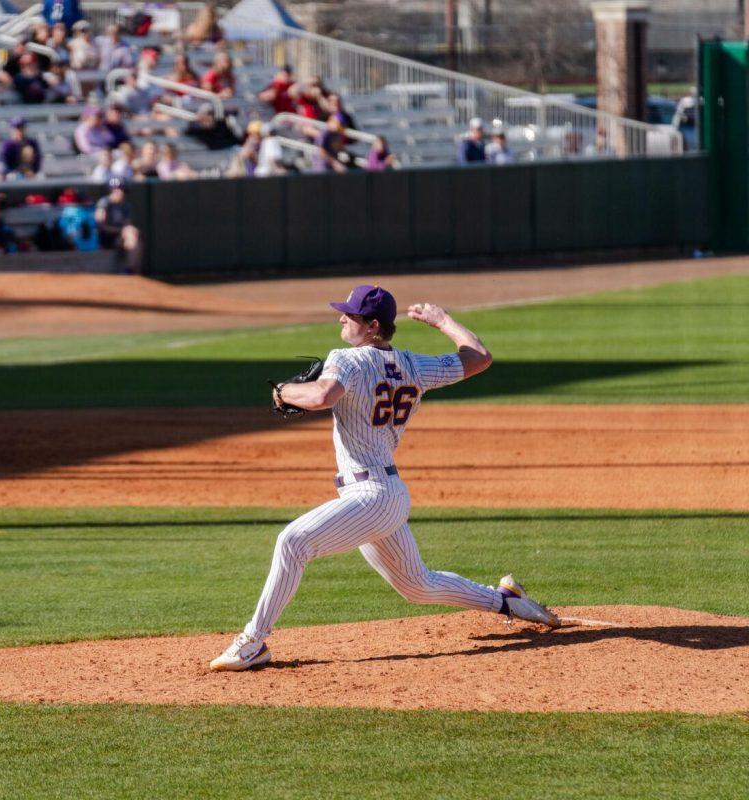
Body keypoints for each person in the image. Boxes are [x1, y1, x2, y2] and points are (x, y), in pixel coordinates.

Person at [209, 286, 560, 672]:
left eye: (351, 315)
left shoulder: (348, 360)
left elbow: (323, 396)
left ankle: (253, 642)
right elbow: (479, 358)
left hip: (371, 496)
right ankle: (506, 599)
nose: (342, 318)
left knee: (292, 542)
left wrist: (283, 391)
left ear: (373, 326)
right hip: (384, 496)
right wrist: (443, 321)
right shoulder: (413, 366)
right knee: (418, 585)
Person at [94, 177, 140, 272]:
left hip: (119, 238)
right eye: (117, 189)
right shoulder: (104, 203)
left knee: (133, 236)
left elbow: (127, 225)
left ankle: (132, 271)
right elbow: (100, 225)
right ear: (111, 190)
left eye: (122, 189)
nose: (120, 192)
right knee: (130, 233)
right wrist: (121, 230)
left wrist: (126, 231)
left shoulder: (126, 205)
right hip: (105, 237)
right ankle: (131, 270)